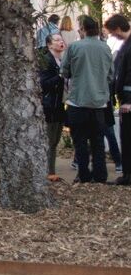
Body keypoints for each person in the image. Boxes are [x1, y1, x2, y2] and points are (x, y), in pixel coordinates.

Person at [60, 15, 113, 184]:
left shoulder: (74, 47)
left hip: (78, 100)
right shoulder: (105, 49)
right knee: (98, 141)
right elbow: (111, 75)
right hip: (99, 102)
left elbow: (65, 71)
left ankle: (83, 173)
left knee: (80, 140)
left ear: (83, 29)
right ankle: (100, 174)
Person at [39, 32, 67, 183]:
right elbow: (43, 83)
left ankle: (51, 170)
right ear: (50, 44)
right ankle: (49, 172)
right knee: (49, 140)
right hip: (49, 105)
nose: (60, 42)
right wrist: (60, 76)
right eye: (56, 40)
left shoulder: (61, 59)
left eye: (61, 40)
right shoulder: (46, 61)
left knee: (55, 140)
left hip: (59, 105)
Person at [111, 17, 131, 186]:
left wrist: (128, 101)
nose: (112, 35)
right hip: (125, 96)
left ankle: (128, 175)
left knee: (128, 137)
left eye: (112, 32)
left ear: (118, 28)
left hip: (128, 100)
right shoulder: (126, 45)